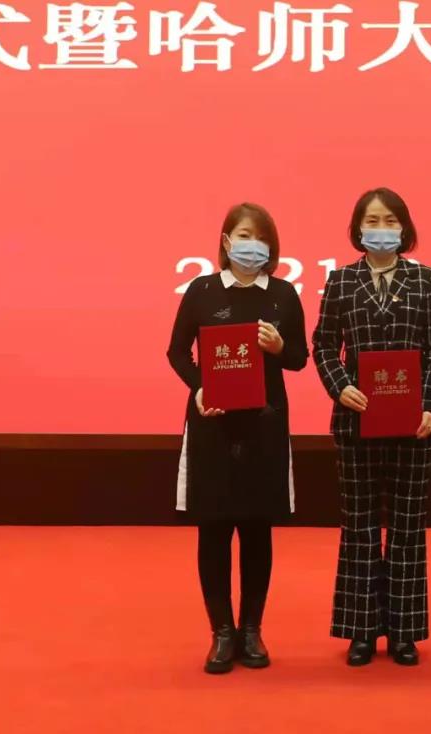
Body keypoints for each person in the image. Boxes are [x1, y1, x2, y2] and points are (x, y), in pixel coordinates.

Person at [168, 202, 308, 674]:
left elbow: (299, 359)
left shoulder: (283, 294)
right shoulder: (202, 290)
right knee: (214, 529)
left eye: (260, 237)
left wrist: (280, 347)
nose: (251, 245)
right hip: (213, 423)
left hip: (265, 426)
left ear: (272, 246)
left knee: (256, 530)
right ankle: (221, 632)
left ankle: (251, 630)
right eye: (243, 235)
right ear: (226, 240)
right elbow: (177, 353)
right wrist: (199, 386)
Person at [313, 188, 431, 667]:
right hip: (356, 423)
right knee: (361, 528)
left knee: (408, 528)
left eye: (390, 220)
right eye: (372, 220)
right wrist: (340, 387)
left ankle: (405, 633)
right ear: (358, 229)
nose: (382, 228)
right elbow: (323, 345)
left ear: (404, 228)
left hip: (414, 428)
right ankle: (362, 631)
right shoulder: (341, 281)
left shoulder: (424, 280)